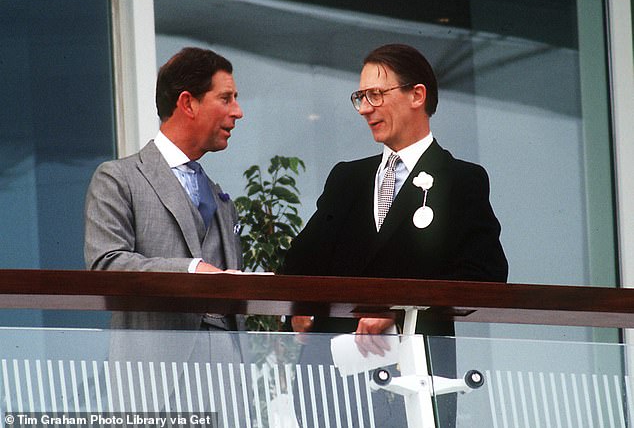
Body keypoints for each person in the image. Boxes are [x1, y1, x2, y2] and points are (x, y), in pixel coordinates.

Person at [280, 43, 508, 426]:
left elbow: (484, 275)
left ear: (417, 95)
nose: (366, 108)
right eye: (360, 97)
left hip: (416, 380)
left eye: (376, 94)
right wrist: (299, 311)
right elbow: (300, 264)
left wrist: (397, 309)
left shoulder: (460, 180)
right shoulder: (347, 179)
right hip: (334, 386)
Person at [84, 47, 246, 414]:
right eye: (226, 98)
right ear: (187, 103)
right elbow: (106, 265)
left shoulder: (220, 198)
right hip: (152, 384)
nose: (238, 111)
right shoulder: (119, 178)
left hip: (227, 388)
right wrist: (191, 270)